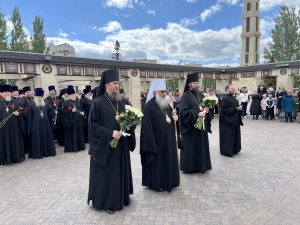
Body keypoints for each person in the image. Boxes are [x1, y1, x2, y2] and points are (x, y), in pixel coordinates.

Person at [87, 69, 136, 214]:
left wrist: (129, 125)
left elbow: (125, 119)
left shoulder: (120, 102)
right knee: (108, 174)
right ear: (106, 85)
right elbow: (93, 126)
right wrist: (110, 133)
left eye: (118, 83)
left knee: (119, 172)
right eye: (115, 83)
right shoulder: (98, 103)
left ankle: (121, 197)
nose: (117, 86)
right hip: (105, 147)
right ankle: (106, 202)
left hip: (120, 146)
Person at [140, 79, 179, 192]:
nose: (164, 94)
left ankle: (169, 182)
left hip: (168, 141)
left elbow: (171, 117)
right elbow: (146, 128)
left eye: (165, 92)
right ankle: (157, 183)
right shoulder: (149, 106)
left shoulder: (166, 104)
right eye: (162, 92)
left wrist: (175, 119)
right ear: (155, 92)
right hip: (156, 142)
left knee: (168, 161)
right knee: (158, 164)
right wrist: (151, 144)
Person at [179, 73, 212, 173]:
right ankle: (190, 167)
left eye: (197, 83)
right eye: (194, 83)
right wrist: (198, 113)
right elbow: (183, 112)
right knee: (190, 148)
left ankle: (201, 166)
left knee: (201, 147)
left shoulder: (201, 95)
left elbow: (205, 107)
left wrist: (207, 110)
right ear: (189, 84)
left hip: (201, 128)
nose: (196, 85)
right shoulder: (185, 96)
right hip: (191, 128)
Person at [25, 88, 56, 159]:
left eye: (41, 97)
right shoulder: (31, 105)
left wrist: (54, 113)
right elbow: (29, 117)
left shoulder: (47, 103)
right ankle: (38, 154)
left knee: (46, 137)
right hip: (36, 126)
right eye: (38, 97)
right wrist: (29, 128)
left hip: (46, 125)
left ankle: (48, 152)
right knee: (37, 139)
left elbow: (50, 112)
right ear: (35, 97)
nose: (40, 98)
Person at [0, 85, 25, 165]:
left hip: (15, 128)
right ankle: (4, 159)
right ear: (1, 93)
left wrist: (19, 113)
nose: (7, 93)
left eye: (9, 92)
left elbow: (24, 111)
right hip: (2, 129)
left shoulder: (17, 102)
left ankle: (16, 157)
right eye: (5, 92)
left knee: (15, 141)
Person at [219, 84, 243, 157]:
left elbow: (235, 108)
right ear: (227, 89)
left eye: (233, 88)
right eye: (232, 88)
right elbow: (224, 110)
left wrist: (239, 109)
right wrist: (236, 109)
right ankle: (226, 151)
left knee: (234, 136)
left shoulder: (234, 98)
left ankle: (234, 149)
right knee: (228, 137)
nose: (233, 89)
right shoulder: (224, 99)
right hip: (227, 121)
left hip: (234, 120)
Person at [61, 86, 86, 152]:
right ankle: (73, 147)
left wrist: (82, 112)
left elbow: (81, 109)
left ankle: (80, 146)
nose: (73, 96)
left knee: (79, 133)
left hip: (78, 121)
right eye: (72, 95)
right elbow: (63, 112)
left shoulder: (77, 102)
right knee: (73, 134)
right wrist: (71, 111)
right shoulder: (66, 103)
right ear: (69, 96)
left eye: (74, 94)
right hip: (71, 122)